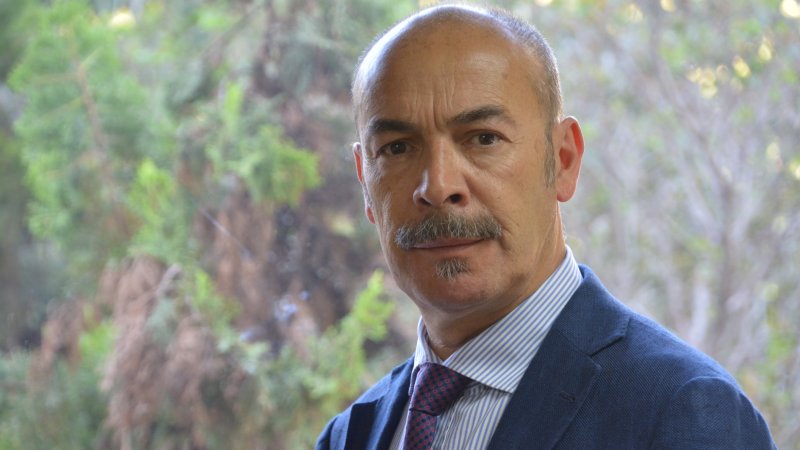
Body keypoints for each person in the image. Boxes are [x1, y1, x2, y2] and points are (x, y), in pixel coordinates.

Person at [316, 4, 776, 449]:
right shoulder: (349, 436)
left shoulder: (685, 412)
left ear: (563, 160)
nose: (437, 186)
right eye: (397, 148)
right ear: (364, 182)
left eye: (483, 139)